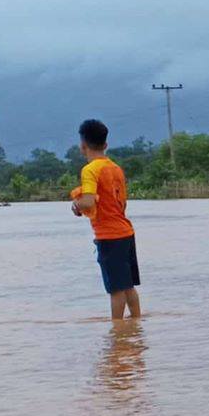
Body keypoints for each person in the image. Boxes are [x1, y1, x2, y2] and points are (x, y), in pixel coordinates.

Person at [71, 119, 140, 319]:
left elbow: (89, 200)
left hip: (109, 236)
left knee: (116, 290)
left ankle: (117, 332)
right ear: (106, 145)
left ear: (83, 146)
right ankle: (136, 324)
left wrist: (77, 204)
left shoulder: (90, 170)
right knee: (128, 287)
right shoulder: (116, 168)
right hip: (126, 232)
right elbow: (121, 203)